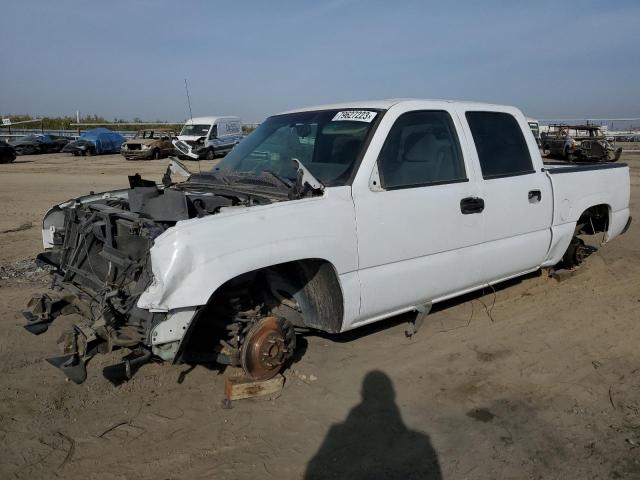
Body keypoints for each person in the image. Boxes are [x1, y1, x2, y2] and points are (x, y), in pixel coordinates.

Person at [305, 370, 442, 480]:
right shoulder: (421, 442)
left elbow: (314, 466)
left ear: (362, 392)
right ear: (393, 393)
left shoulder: (337, 432)